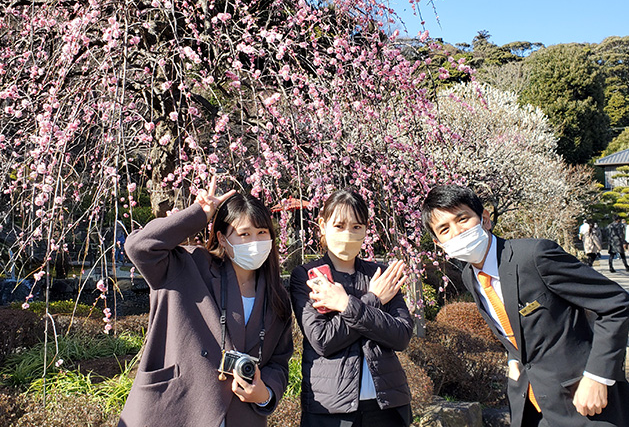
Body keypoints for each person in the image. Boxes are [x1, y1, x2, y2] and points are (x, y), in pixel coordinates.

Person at [421, 184, 629, 427]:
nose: (457, 232)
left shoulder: (534, 256)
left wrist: (598, 376)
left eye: (462, 219)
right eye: (444, 229)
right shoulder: (469, 277)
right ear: (439, 244)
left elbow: (615, 304)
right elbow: (513, 326)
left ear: (484, 219)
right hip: (532, 408)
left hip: (587, 403)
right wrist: (514, 360)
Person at [118, 178, 293, 427]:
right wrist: (199, 214)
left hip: (241, 417)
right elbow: (139, 248)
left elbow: (279, 360)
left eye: (262, 233)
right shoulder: (189, 267)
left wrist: (265, 394)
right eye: (244, 234)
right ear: (222, 239)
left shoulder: (277, 296)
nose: (254, 242)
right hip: (178, 409)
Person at [289, 189, 413, 427]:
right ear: (322, 225)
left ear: (366, 229)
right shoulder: (307, 276)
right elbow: (322, 340)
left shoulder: (380, 274)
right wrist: (374, 299)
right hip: (332, 409)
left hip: (388, 406)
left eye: (357, 227)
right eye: (339, 226)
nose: (348, 233)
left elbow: (401, 336)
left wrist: (345, 305)